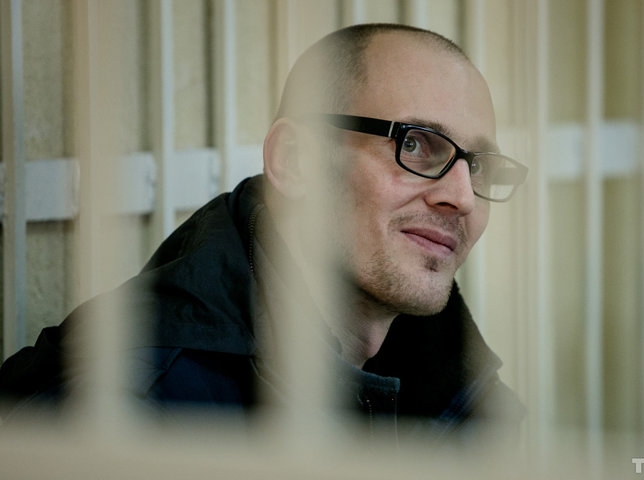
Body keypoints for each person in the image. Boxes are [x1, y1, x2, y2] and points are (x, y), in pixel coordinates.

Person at [0, 23, 526, 442]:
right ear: (293, 161)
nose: (462, 197)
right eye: (415, 144)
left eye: (479, 167)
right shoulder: (132, 409)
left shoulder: (462, 386)